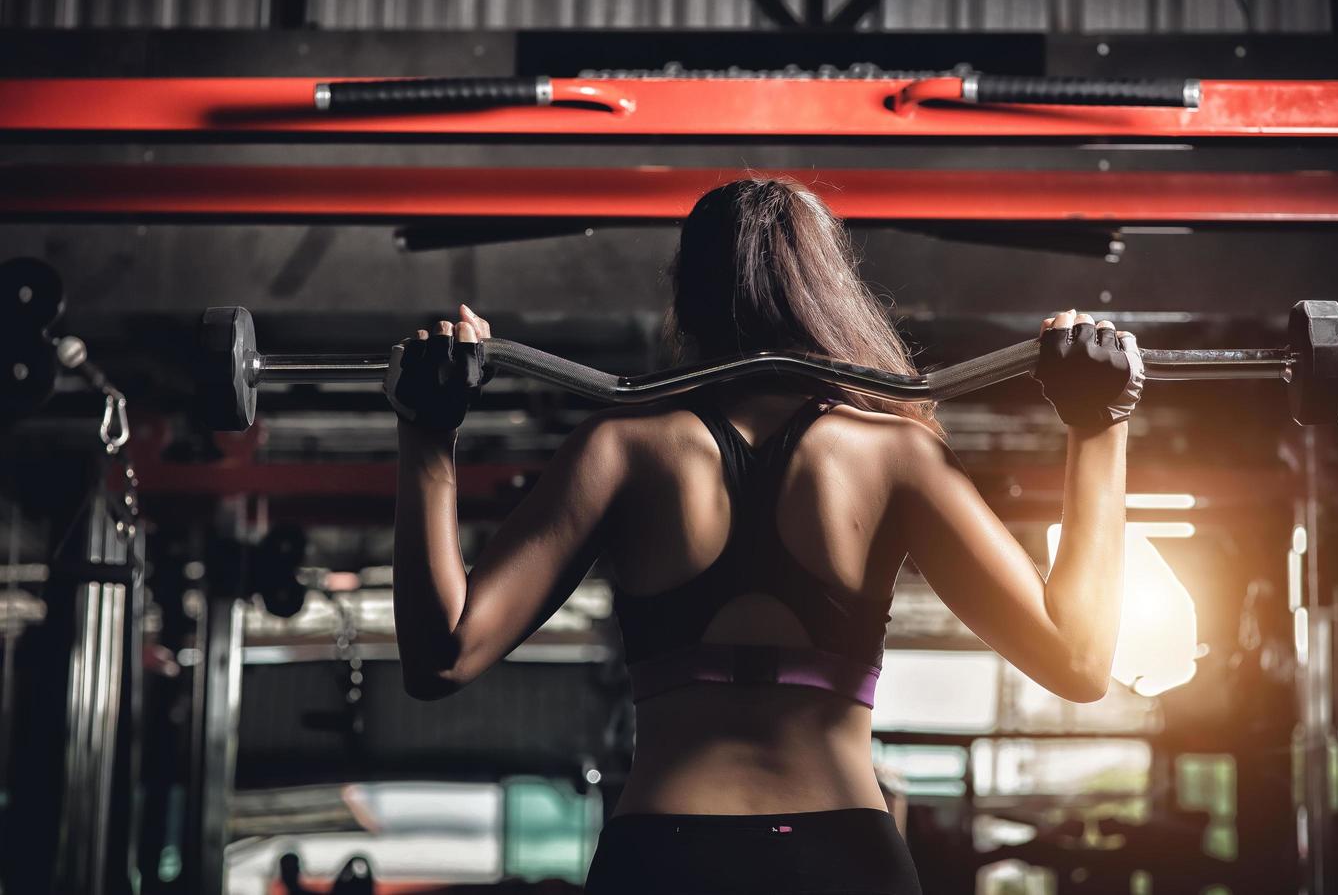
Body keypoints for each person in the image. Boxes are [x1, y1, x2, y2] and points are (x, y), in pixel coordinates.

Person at [387, 177, 1141, 894]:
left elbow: (442, 658)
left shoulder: (620, 448)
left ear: (690, 292)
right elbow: (1077, 663)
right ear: (828, 285)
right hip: (844, 858)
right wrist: (1099, 422)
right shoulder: (893, 454)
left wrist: (429, 430)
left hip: (666, 857)